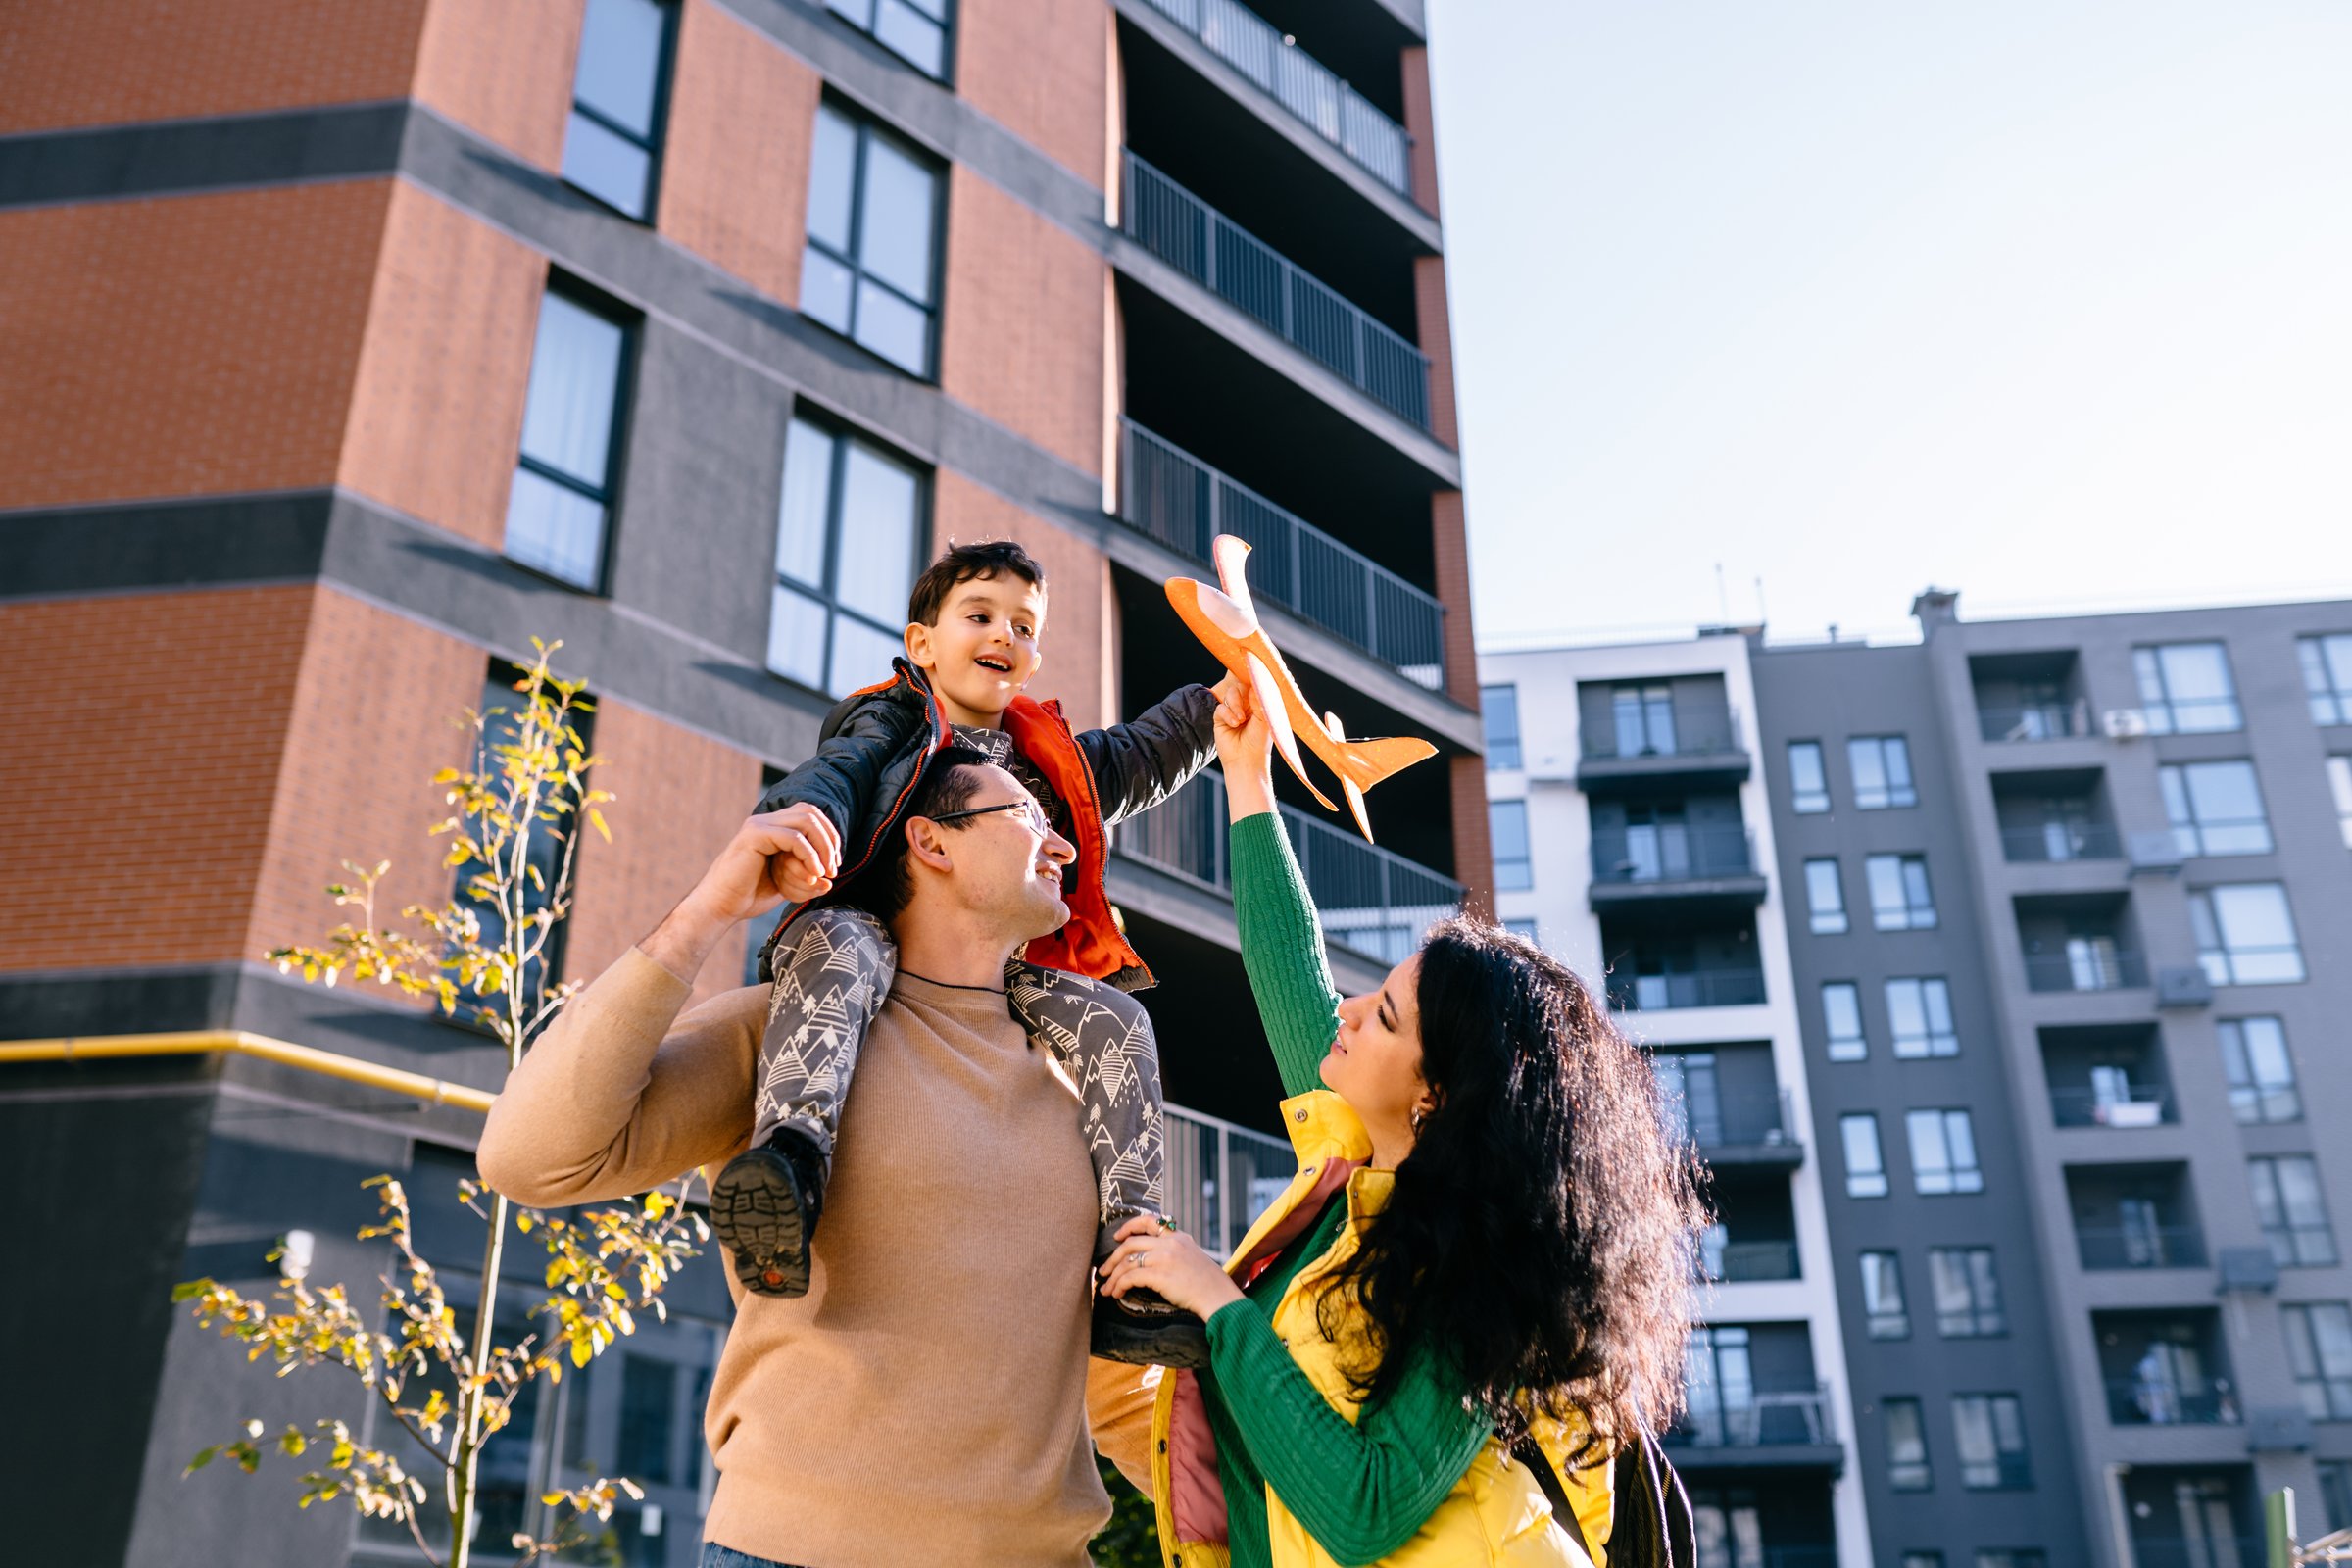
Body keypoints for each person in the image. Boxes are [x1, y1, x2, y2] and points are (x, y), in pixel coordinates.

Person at [1093, 685, 1709, 1566]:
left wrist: (1219, 1303)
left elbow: (1363, 1510)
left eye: (1382, 1016)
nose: (1344, 1011)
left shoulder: (1478, 1281)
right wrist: (1245, 776)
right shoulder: (1360, 1161)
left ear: (1437, 1099)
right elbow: (1290, 965)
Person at [478, 751, 1142, 1568]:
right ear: (932, 844)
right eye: (1029, 820)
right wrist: (706, 912)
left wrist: (1237, 1491)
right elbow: (528, 1159)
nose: (1065, 848)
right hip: (792, 1554)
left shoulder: (1083, 1076)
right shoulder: (787, 1036)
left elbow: (1091, 1353)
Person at [712, 538, 1227, 1366]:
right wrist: (799, 822)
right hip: (876, 922)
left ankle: (1129, 1266)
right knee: (839, 950)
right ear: (922, 643)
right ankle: (790, 1168)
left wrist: (1219, 703)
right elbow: (838, 774)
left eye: (1024, 626)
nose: (1005, 635)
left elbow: (1136, 756)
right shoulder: (893, 720)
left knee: (1118, 1021)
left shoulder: (1045, 756)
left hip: (995, 965)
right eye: (981, 615)